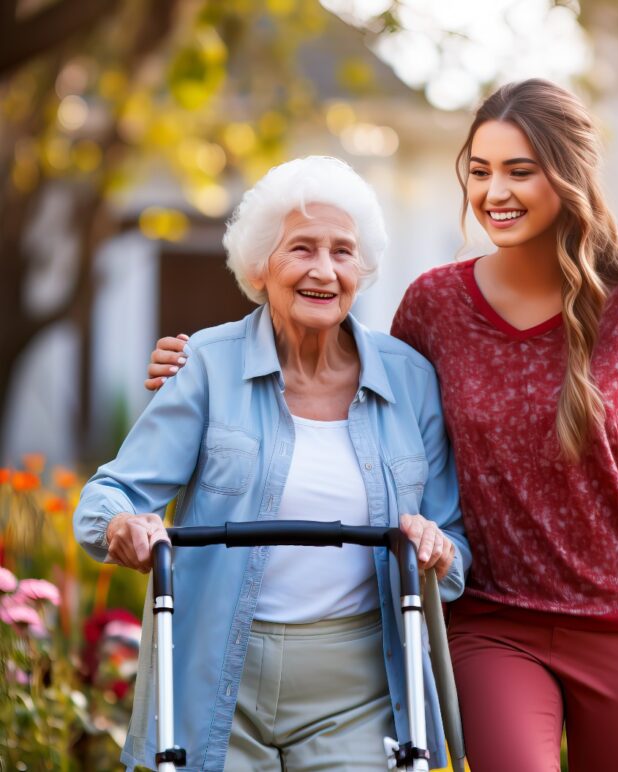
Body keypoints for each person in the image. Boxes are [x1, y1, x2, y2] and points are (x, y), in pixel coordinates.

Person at [147, 80, 618, 771]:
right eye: (480, 171)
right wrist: (203, 366)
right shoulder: (436, 304)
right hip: (492, 621)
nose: (495, 192)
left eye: (519, 171)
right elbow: (355, 395)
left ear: (569, 175)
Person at [76, 156, 470, 772]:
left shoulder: (410, 379)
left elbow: (455, 546)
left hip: (361, 684)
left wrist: (437, 548)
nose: (324, 270)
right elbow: (111, 494)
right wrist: (122, 525)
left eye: (343, 251)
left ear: (361, 269)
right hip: (218, 674)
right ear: (260, 266)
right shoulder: (206, 365)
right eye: (301, 248)